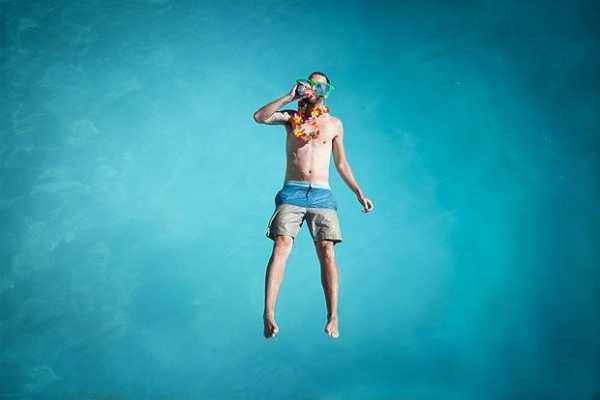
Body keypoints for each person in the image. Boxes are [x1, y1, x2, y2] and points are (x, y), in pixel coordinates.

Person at [253, 71, 375, 339]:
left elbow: (341, 163)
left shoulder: (334, 124)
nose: (315, 88)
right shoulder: (290, 118)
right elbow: (259, 117)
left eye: (321, 85)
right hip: (292, 191)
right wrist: (288, 97)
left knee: (327, 250)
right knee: (281, 245)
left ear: (326, 91)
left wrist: (359, 193)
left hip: (322, 194)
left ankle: (333, 316)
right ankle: (269, 313)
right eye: (311, 83)